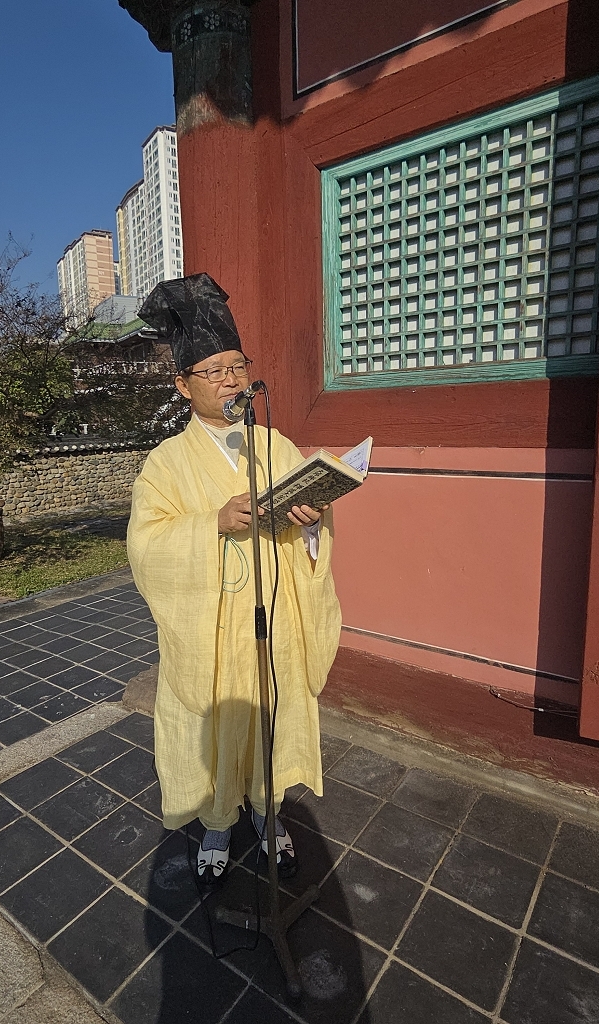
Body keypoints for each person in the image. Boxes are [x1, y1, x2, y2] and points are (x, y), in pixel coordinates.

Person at [127, 273, 342, 886]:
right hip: (215, 630)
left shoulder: (275, 445)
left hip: (275, 618)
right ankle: (219, 823)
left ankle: (269, 815)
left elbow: (310, 533)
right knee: (218, 731)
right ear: (183, 384)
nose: (230, 380)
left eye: (237, 367)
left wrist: (310, 522)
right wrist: (211, 524)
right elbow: (145, 546)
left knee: (272, 721)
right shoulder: (166, 463)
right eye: (214, 370)